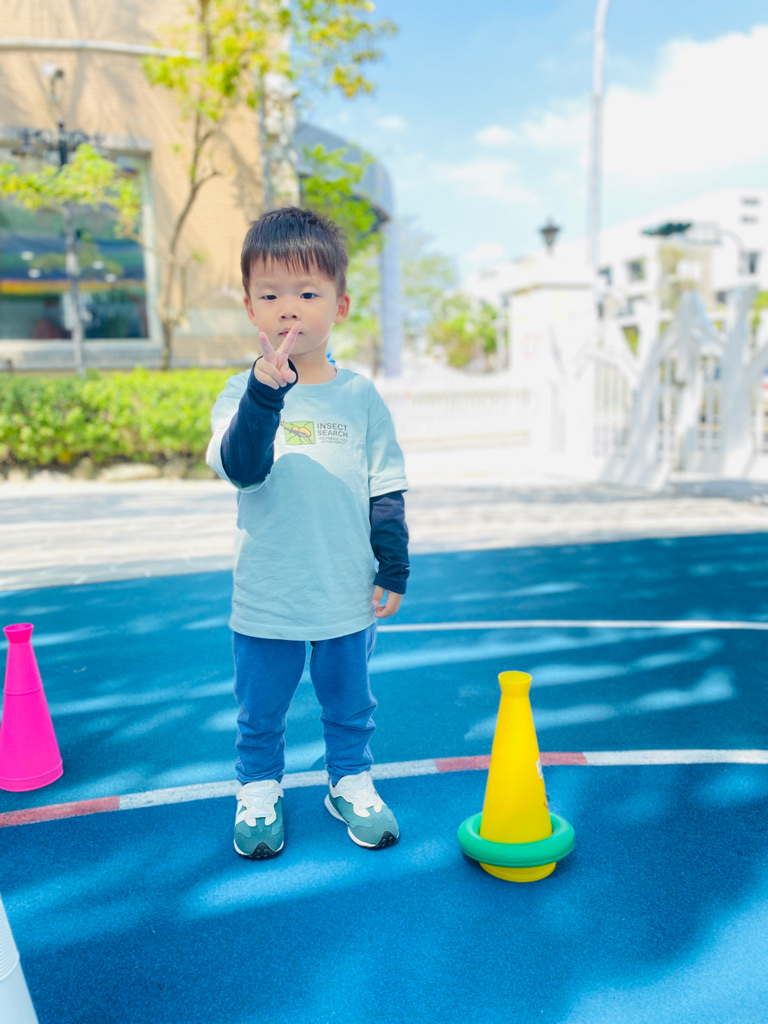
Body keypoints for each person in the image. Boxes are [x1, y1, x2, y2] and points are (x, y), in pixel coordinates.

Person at [207, 206, 409, 859]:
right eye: (270, 295)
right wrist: (266, 395)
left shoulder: (360, 397)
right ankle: (259, 789)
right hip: (269, 590)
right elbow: (244, 468)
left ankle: (348, 780)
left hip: (345, 589)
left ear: (340, 306)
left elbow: (385, 485)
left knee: (350, 701)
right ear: (250, 308)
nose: (288, 308)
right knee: (261, 707)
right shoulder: (239, 392)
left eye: (307, 293)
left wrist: (392, 564)